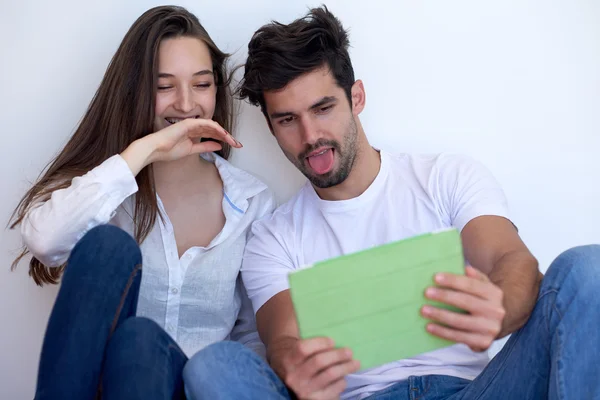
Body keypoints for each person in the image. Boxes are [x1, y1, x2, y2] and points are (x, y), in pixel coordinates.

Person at [183, 6, 600, 400]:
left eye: (323, 107)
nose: (310, 136)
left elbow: (513, 260)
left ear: (356, 98)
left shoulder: (444, 178)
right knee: (213, 364)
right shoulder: (273, 238)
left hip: (474, 390)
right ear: (271, 127)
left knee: (587, 267)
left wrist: (503, 306)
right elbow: (283, 339)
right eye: (287, 119)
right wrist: (295, 365)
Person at [9, 5, 274, 400]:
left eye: (201, 84)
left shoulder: (252, 201)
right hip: (111, 387)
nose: (186, 105)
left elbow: (252, 338)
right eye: (164, 86)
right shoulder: (107, 190)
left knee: (141, 338)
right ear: (134, 90)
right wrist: (144, 151)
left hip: (199, 389)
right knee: (113, 262)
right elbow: (45, 241)